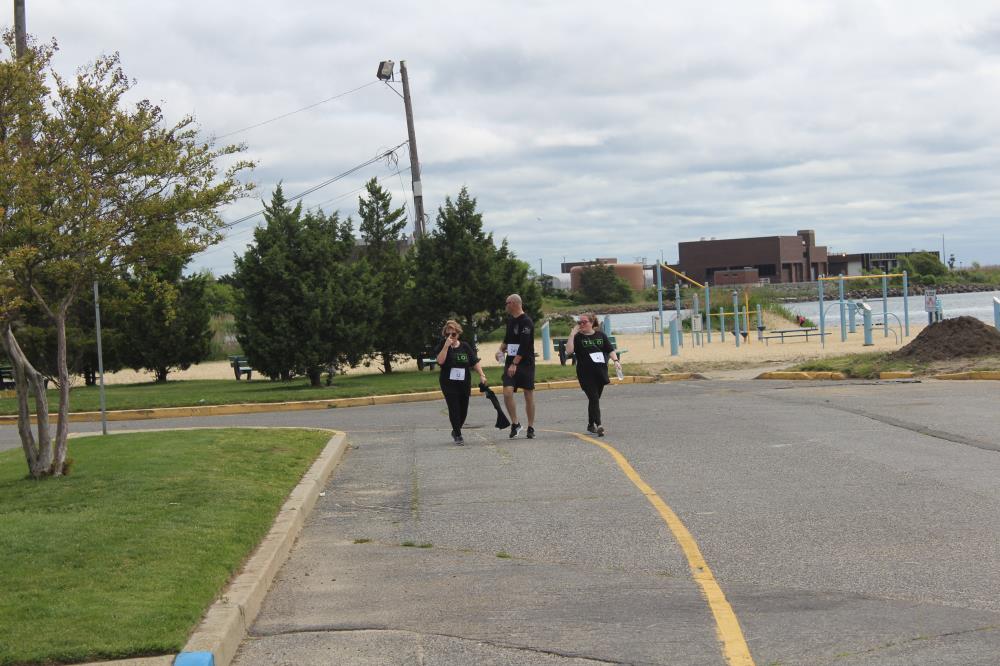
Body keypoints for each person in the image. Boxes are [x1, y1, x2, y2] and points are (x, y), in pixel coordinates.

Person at [565, 313, 620, 437]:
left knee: (594, 399)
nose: (581, 324)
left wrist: (616, 361)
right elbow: (569, 351)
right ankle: (599, 425)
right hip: (585, 373)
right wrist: (572, 334)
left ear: (591, 323)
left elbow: (610, 349)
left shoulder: (601, 335)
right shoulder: (577, 337)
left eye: (584, 322)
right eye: (579, 322)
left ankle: (590, 424)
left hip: (600, 371)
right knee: (594, 398)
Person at [434, 320, 487, 445]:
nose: (450, 337)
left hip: (464, 382)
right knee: (454, 408)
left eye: (453, 334)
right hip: (448, 383)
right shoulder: (442, 345)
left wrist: (482, 375)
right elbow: (440, 361)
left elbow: (474, 361)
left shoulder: (465, 346)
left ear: (458, 334)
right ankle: (458, 434)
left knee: (463, 409)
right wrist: (446, 346)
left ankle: (456, 429)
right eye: (448, 334)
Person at [499, 293, 535, 439]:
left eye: (507, 303)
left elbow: (524, 344)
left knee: (528, 393)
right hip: (510, 362)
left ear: (514, 303)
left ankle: (531, 426)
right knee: (507, 392)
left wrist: (515, 363)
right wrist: (500, 350)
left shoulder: (527, 322)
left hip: (525, 362)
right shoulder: (510, 321)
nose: (506, 306)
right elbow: (507, 339)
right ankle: (515, 423)